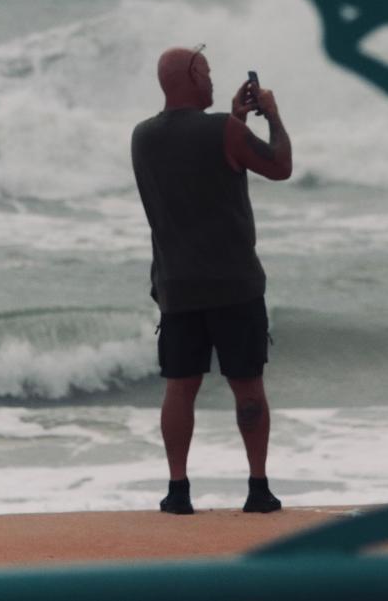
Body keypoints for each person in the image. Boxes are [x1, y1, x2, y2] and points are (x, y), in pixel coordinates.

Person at [131, 45, 292, 515]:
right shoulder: (222, 129)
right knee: (247, 386)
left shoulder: (142, 137)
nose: (212, 80)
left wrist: (233, 121)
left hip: (177, 285)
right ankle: (257, 487)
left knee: (180, 387)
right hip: (234, 284)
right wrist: (272, 116)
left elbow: (198, 157)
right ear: (192, 74)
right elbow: (279, 165)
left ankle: (178, 490)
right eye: (207, 71)